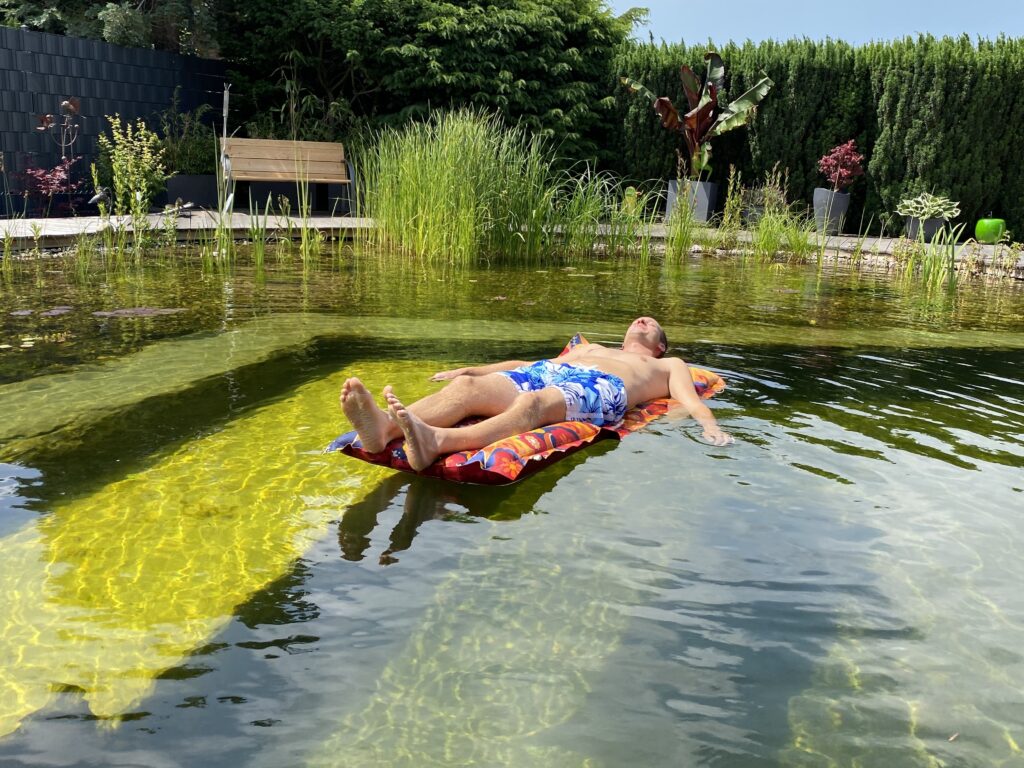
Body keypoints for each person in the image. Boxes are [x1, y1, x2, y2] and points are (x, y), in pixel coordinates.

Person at [340, 316, 733, 471]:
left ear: (659, 345)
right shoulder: (588, 347)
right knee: (469, 390)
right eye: (639, 318)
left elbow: (691, 401)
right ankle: (384, 428)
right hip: (557, 370)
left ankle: (436, 441)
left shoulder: (667, 365)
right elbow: (523, 365)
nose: (642, 319)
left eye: (652, 323)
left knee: (534, 403)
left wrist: (709, 429)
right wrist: (469, 371)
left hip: (601, 390)